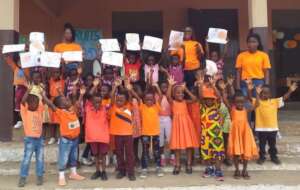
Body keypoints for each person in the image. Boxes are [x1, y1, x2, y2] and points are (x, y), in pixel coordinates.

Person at [44, 89, 86, 186]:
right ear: (62, 106)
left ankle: (73, 173)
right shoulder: (61, 112)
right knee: (63, 158)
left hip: (75, 139)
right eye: (66, 101)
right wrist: (44, 95)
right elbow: (51, 105)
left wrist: (81, 95)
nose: (68, 100)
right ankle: (61, 176)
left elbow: (78, 103)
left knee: (73, 157)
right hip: (66, 140)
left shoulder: (71, 109)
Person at [251, 82, 298, 165]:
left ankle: (274, 157)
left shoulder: (274, 101)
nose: (265, 95)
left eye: (267, 93)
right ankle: (262, 157)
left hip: (272, 128)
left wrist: (290, 91)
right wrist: (254, 92)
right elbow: (249, 98)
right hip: (261, 129)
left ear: (270, 94)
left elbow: (284, 98)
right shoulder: (257, 102)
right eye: (263, 93)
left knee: (272, 145)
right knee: (262, 145)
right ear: (260, 93)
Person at [222, 86, 258, 180]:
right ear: (234, 102)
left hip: (245, 134)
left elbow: (256, 105)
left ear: (244, 102)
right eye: (238, 102)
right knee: (236, 153)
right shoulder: (232, 110)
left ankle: (245, 170)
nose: (240, 104)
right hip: (235, 134)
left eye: (242, 102)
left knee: (246, 151)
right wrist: (223, 89)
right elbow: (225, 100)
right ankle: (237, 170)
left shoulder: (246, 110)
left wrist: (255, 92)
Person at [168, 77, 199, 175]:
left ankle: (188, 164)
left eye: (181, 93)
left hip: (186, 125)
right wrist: (170, 85)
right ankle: (177, 164)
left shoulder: (185, 102)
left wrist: (185, 89)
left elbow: (194, 99)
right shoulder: (173, 102)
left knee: (189, 145)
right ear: (174, 94)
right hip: (177, 126)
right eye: (178, 93)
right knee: (177, 146)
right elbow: (168, 96)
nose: (180, 94)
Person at [131, 83, 164, 178]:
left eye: (151, 99)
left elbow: (161, 96)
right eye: (147, 99)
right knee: (145, 152)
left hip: (156, 133)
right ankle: (144, 168)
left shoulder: (156, 106)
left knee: (157, 151)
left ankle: (158, 167)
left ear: (154, 99)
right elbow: (138, 98)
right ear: (144, 100)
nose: (149, 101)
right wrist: (131, 89)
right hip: (145, 133)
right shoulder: (142, 106)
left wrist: (157, 86)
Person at [198, 77, 225, 181]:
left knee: (217, 152)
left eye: (211, 99)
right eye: (207, 99)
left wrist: (213, 85)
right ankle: (209, 169)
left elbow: (219, 97)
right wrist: (201, 85)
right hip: (205, 135)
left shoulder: (216, 106)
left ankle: (218, 170)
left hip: (216, 134)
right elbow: (200, 96)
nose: (209, 100)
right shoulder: (202, 107)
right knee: (206, 152)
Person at [18, 86, 45, 187]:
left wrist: (42, 94)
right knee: (26, 159)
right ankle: (23, 177)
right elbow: (22, 101)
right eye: (32, 102)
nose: (35, 104)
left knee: (40, 159)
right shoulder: (25, 112)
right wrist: (28, 91)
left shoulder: (39, 110)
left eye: (37, 102)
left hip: (40, 139)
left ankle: (39, 176)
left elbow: (43, 101)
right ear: (28, 104)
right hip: (30, 140)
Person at [109, 79, 136, 181]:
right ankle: (121, 171)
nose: (119, 101)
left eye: (121, 100)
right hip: (117, 134)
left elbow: (130, 97)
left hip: (128, 134)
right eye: (117, 100)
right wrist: (115, 87)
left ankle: (131, 172)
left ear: (126, 100)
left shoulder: (129, 106)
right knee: (119, 153)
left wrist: (129, 90)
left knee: (129, 153)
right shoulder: (113, 106)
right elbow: (112, 97)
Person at [85, 93, 110, 181]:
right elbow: (87, 97)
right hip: (92, 137)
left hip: (103, 137)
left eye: (99, 102)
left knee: (103, 155)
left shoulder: (104, 109)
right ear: (91, 102)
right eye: (95, 102)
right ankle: (97, 171)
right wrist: (94, 86)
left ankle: (103, 171)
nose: (97, 104)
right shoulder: (88, 108)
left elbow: (112, 102)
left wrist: (114, 88)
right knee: (95, 155)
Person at [158, 81, 174, 166]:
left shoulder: (170, 96)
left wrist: (170, 85)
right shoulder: (158, 96)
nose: (164, 89)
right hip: (159, 118)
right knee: (160, 139)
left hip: (168, 118)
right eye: (162, 87)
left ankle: (172, 156)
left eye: (166, 87)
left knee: (170, 138)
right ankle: (162, 157)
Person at [48, 68, 65, 145]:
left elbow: (63, 71)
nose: (56, 74)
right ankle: (52, 137)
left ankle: (59, 137)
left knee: (59, 121)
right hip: (52, 101)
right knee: (52, 121)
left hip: (60, 101)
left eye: (57, 72)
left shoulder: (62, 81)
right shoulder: (51, 80)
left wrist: (62, 63)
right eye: (54, 72)